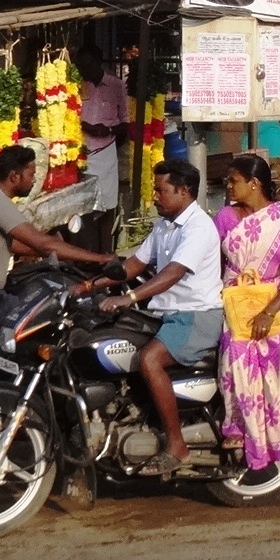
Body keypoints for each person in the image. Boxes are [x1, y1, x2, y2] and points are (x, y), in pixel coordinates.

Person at [98, 159, 224, 474]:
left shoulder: (198, 227)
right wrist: (88, 285)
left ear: (183, 191)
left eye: (160, 190)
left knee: (150, 360)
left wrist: (129, 297)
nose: (154, 196)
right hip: (165, 315)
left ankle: (177, 446)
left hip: (195, 316)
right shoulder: (164, 225)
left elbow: (173, 273)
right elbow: (134, 265)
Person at [214, 154, 280, 473]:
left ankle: (276, 434)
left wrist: (269, 313)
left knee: (278, 352)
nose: (229, 186)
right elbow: (218, 265)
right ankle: (238, 428)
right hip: (234, 299)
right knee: (234, 350)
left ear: (254, 184)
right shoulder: (225, 218)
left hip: (275, 300)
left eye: (233, 180)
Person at [0, 144, 114, 331]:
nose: (34, 180)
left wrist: (56, 251)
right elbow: (44, 244)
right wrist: (101, 258)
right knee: (49, 319)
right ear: (15, 176)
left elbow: (13, 244)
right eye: (31, 175)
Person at [75, 43, 127, 253]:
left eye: (87, 66)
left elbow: (125, 123)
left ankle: (106, 253)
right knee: (82, 207)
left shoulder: (116, 86)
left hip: (105, 152)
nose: (84, 72)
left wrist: (107, 130)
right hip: (80, 154)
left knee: (107, 204)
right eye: (81, 67)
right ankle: (84, 253)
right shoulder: (77, 85)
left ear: (99, 63)